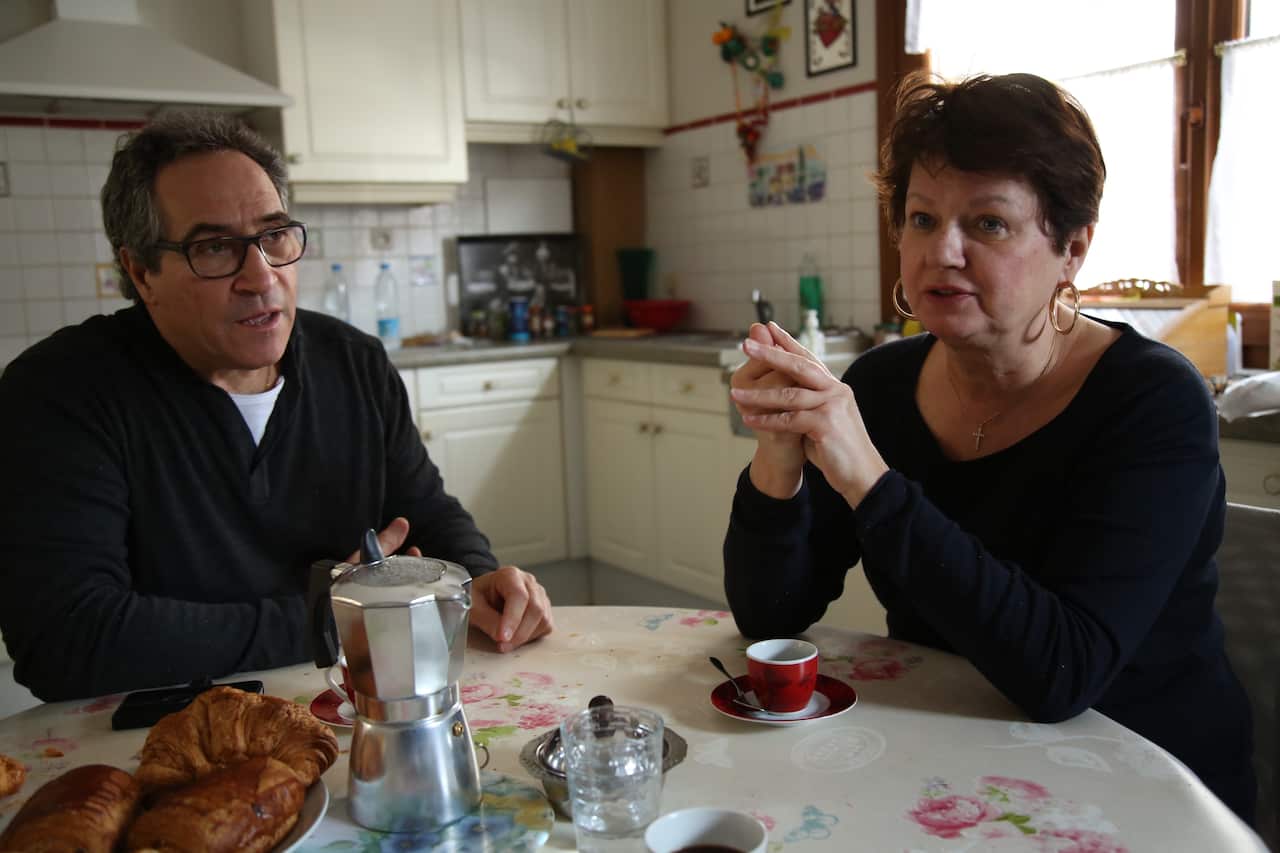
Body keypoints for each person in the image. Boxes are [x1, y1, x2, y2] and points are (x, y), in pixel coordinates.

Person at [723, 72, 1256, 823]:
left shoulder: (1152, 402)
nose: (942, 251)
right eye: (920, 218)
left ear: (1071, 249)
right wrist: (779, 456)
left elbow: (1060, 674)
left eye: (989, 224)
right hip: (941, 752)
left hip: (1142, 778)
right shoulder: (879, 385)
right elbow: (770, 617)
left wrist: (870, 480)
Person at [0, 112, 552, 702]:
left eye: (274, 236)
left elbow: (425, 515)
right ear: (141, 272)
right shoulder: (61, 393)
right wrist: (334, 616)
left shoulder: (354, 362)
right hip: (159, 735)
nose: (261, 276)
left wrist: (476, 580)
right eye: (213, 248)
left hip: (350, 703)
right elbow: (65, 639)